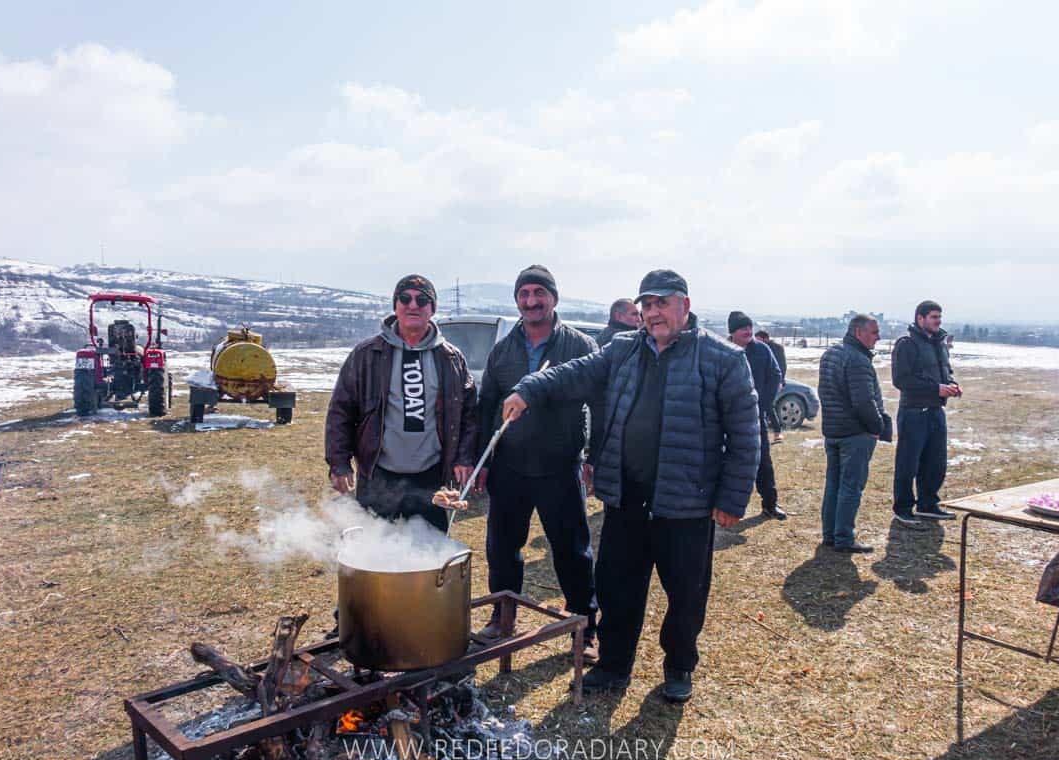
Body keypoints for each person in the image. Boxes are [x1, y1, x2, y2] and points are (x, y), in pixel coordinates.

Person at [500, 269, 760, 703]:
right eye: (647, 305)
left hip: (686, 506)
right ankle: (614, 665)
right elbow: (572, 373)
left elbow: (746, 436)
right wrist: (529, 388)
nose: (653, 312)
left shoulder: (724, 359)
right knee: (618, 589)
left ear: (685, 306)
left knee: (685, 595)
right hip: (626, 501)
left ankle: (678, 668)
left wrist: (732, 498)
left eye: (662, 303)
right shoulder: (622, 350)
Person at [475, 266, 601, 662]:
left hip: (559, 466)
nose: (531, 301)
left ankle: (585, 625)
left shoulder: (580, 346)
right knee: (502, 549)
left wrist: (593, 457)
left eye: (539, 293)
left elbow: (600, 404)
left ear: (554, 299)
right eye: (524, 294)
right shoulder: (503, 350)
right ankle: (503, 615)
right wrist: (480, 460)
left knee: (572, 551)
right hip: (509, 466)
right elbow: (485, 409)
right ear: (517, 301)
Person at [324, 275, 477, 531]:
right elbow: (341, 410)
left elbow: (469, 414)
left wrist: (463, 457)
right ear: (395, 306)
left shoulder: (451, 358)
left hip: (431, 475)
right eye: (405, 298)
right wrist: (338, 463)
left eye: (422, 299)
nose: (413, 305)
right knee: (373, 553)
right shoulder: (366, 354)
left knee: (429, 553)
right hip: (378, 474)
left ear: (433, 308)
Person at [818, 315, 889, 553]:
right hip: (856, 434)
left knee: (834, 485)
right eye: (874, 332)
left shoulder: (831, 354)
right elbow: (863, 402)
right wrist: (877, 427)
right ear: (859, 333)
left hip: (834, 431)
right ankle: (844, 538)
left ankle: (830, 535)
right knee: (850, 487)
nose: (878, 337)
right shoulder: (858, 360)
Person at [891, 301, 961, 528]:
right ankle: (903, 508)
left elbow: (945, 371)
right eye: (934, 317)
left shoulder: (939, 343)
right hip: (913, 412)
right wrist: (936, 389)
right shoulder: (907, 344)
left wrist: (951, 384)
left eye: (940, 317)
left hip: (935, 410)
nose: (938, 321)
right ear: (920, 319)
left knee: (935, 461)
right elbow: (901, 380)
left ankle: (928, 504)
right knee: (908, 463)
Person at [729, 312, 787, 520]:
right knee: (723, 462)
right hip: (727, 418)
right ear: (732, 332)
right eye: (742, 328)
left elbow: (775, 375)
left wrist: (762, 403)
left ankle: (770, 504)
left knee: (763, 461)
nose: (747, 331)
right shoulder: (723, 350)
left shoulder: (761, 350)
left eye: (749, 327)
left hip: (755, 416)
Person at [755, 330, 788, 442]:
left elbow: (782, 366)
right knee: (765, 407)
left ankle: (777, 432)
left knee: (768, 406)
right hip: (761, 383)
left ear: (765, 338)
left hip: (773, 382)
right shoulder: (757, 349)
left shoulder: (777, 348)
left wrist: (780, 381)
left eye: (758, 339)